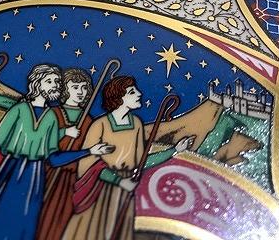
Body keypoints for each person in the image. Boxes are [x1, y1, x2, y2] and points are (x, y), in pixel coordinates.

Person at [0, 64, 113, 240]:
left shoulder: (51, 117)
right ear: (37, 84)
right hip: (11, 171)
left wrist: (89, 151)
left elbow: (54, 159)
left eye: (56, 82)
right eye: (49, 81)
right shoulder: (19, 110)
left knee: (25, 222)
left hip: (35, 177)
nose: (55, 85)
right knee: (1, 216)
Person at [62, 75, 194, 240]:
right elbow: (89, 164)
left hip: (126, 188)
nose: (139, 94)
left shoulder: (136, 123)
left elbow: (141, 162)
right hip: (101, 189)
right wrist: (118, 181)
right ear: (118, 98)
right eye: (132, 92)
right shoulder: (100, 125)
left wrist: (174, 150)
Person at [36, 68, 110, 240]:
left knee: (61, 222)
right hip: (47, 174)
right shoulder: (53, 113)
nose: (80, 92)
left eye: (84, 87)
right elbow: (45, 144)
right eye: (75, 87)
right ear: (65, 89)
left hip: (72, 178)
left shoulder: (88, 120)